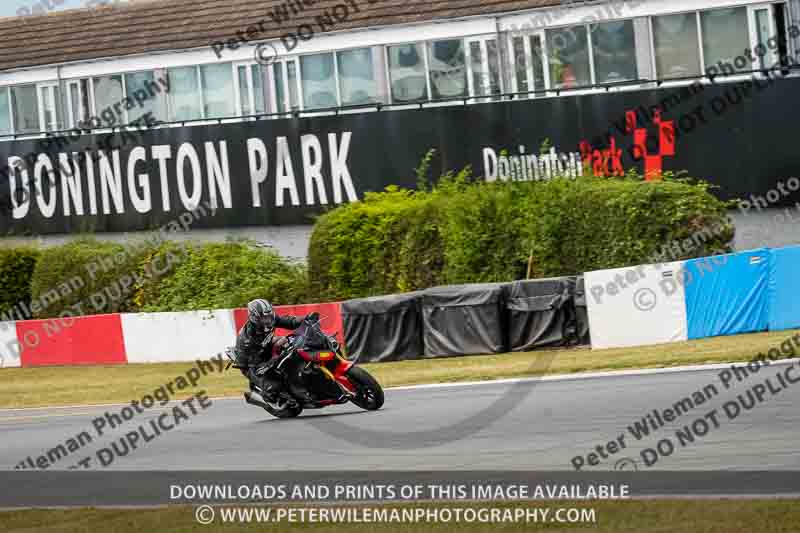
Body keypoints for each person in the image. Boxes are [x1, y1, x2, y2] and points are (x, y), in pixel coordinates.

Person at [234, 299, 305, 397]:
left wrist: (305, 318)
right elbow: (257, 366)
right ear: (255, 318)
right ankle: (268, 396)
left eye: (269, 316)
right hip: (251, 364)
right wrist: (275, 359)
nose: (268, 320)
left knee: (290, 346)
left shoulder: (271, 319)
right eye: (264, 318)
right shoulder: (248, 339)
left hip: (265, 346)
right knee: (273, 387)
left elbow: (290, 323)